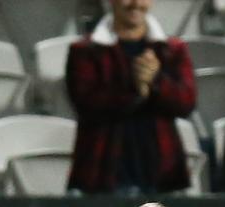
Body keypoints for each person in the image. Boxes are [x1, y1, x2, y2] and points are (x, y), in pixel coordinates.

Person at [66, 0, 196, 194]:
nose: (135, 3)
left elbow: (186, 102)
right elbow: (87, 103)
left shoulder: (172, 49)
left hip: (162, 175)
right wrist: (136, 90)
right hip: (104, 174)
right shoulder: (84, 51)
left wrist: (156, 81)